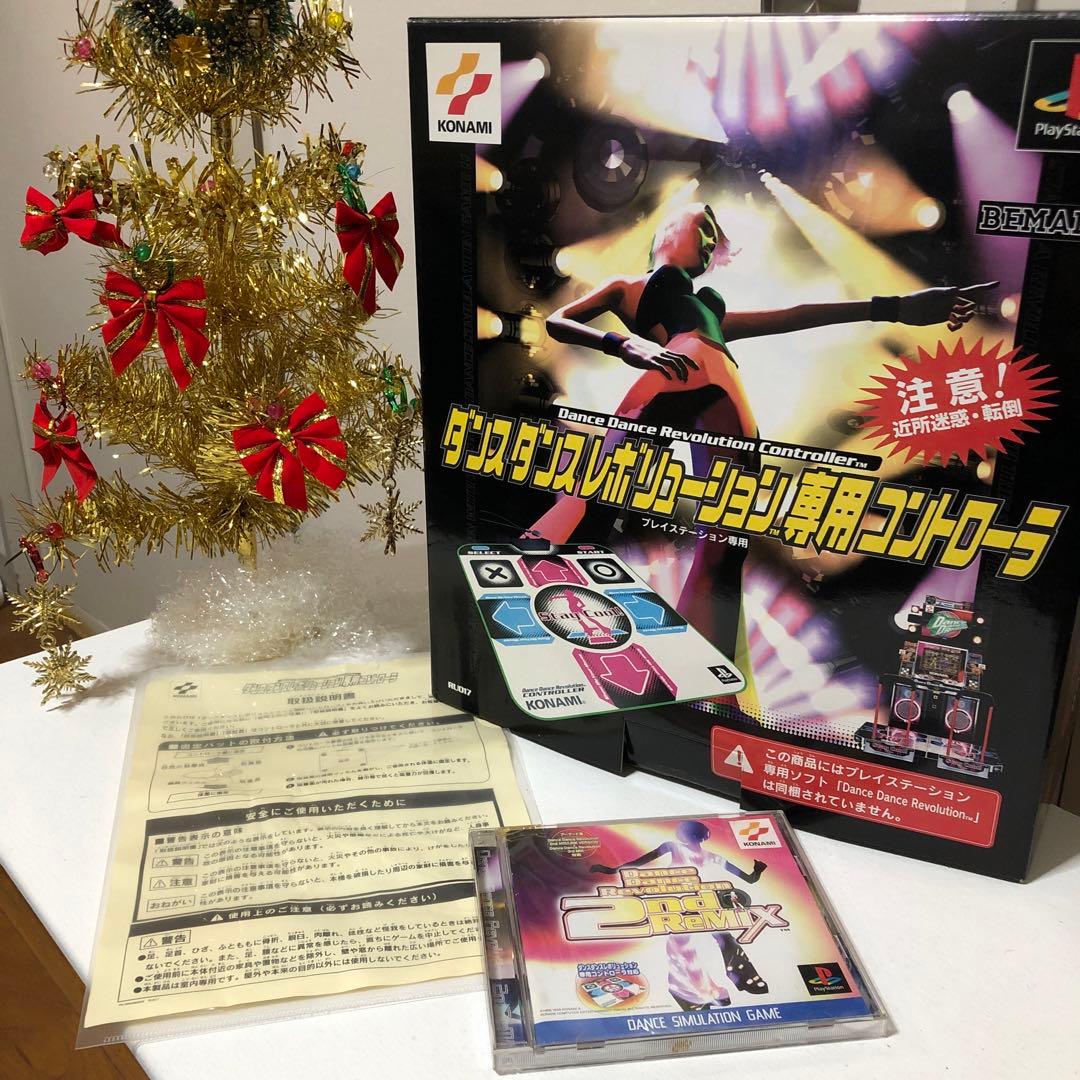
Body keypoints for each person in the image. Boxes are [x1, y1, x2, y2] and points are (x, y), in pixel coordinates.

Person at [528, 201, 996, 659]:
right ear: (668, 230)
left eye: (714, 239)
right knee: (598, 485)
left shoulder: (711, 313)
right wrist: (624, 345)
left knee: (728, 537)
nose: (710, 242)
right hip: (675, 371)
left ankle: (703, 661)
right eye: (703, 229)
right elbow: (558, 321)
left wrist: (899, 308)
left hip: (728, 394)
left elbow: (796, 314)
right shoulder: (627, 287)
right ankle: (531, 579)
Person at [591, 819, 769, 1010]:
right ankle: (702, 991)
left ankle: (736, 980)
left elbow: (750, 879)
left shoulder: (699, 853)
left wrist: (756, 872)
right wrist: (611, 870)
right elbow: (750, 879)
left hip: (698, 902)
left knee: (716, 940)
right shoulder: (679, 848)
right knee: (689, 945)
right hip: (680, 903)